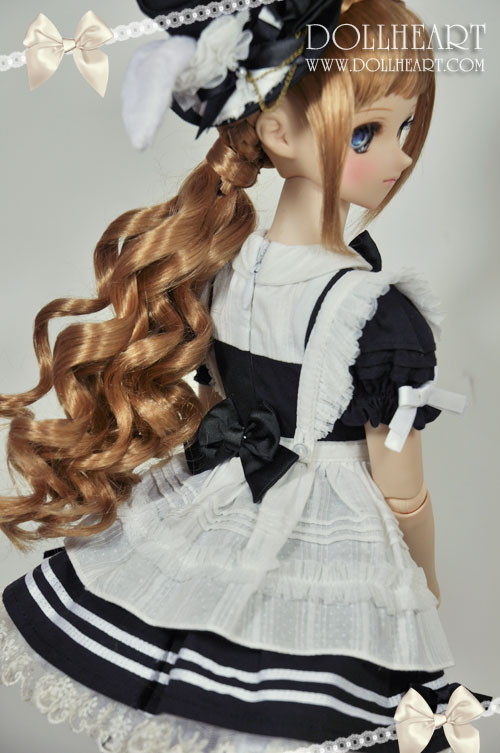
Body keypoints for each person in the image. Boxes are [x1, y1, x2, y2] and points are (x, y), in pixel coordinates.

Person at [0, 0, 493, 751]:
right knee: (306, 714)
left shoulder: (219, 264)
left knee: (204, 689)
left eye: (406, 129)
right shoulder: (380, 316)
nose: (397, 158)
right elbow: (403, 492)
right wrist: (422, 585)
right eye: (368, 132)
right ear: (278, 132)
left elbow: (214, 403)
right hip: (328, 538)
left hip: (217, 504)